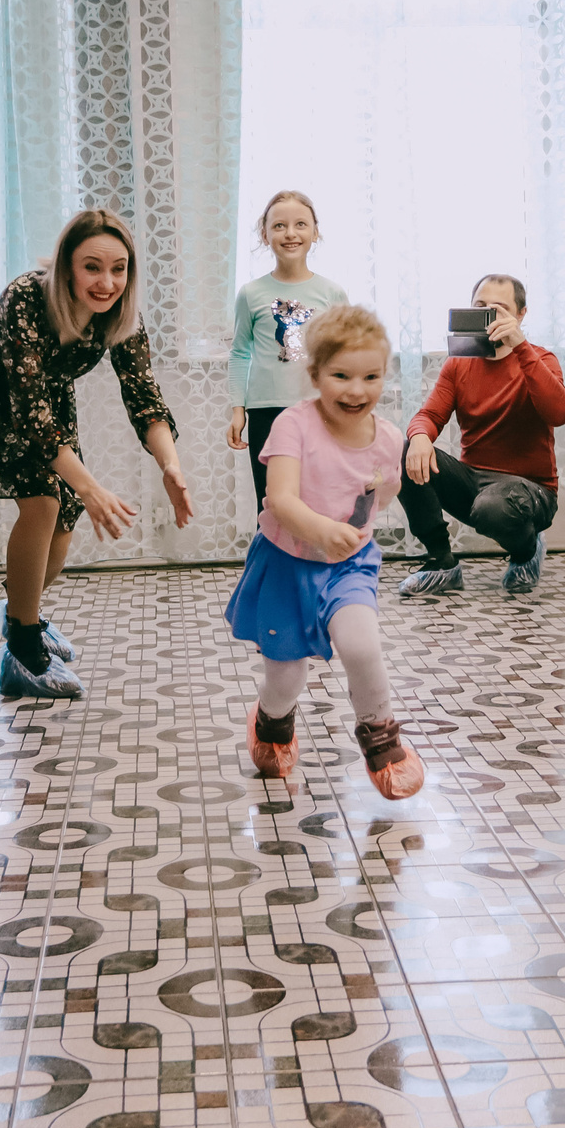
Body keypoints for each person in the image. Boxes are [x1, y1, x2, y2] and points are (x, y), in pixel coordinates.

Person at [0, 210, 194, 700]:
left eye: (118, 269)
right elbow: (27, 410)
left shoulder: (122, 314)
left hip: (48, 404)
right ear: (66, 267)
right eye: (92, 267)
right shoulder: (26, 296)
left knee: (63, 521)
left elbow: (144, 396)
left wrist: (171, 465)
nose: (107, 283)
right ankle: (22, 649)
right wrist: (92, 487)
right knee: (44, 501)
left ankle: (21, 612)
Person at [228, 304, 424, 799]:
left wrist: (349, 529)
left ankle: (382, 739)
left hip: (348, 564)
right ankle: (272, 721)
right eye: (341, 376)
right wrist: (321, 529)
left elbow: (383, 492)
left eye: (371, 376)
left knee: (361, 646)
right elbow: (279, 498)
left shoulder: (388, 438)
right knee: (286, 675)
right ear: (315, 375)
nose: (357, 390)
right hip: (286, 563)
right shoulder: (294, 426)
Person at [395, 274, 565, 597]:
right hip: (475, 483)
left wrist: (520, 347)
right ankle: (442, 563)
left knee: (493, 508)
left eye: (499, 309)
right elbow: (429, 416)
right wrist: (419, 437)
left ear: (520, 315)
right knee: (403, 449)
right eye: (480, 307)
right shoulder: (459, 364)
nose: (489, 317)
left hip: (531, 490)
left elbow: (559, 413)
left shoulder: (541, 359)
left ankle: (526, 551)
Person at [228, 190, 347, 504]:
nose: (290, 233)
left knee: (320, 501)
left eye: (300, 224)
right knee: (272, 503)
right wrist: (238, 409)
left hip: (319, 409)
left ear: (315, 232)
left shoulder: (332, 293)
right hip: (265, 411)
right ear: (264, 234)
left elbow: (345, 356)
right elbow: (239, 352)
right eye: (279, 226)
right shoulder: (251, 293)